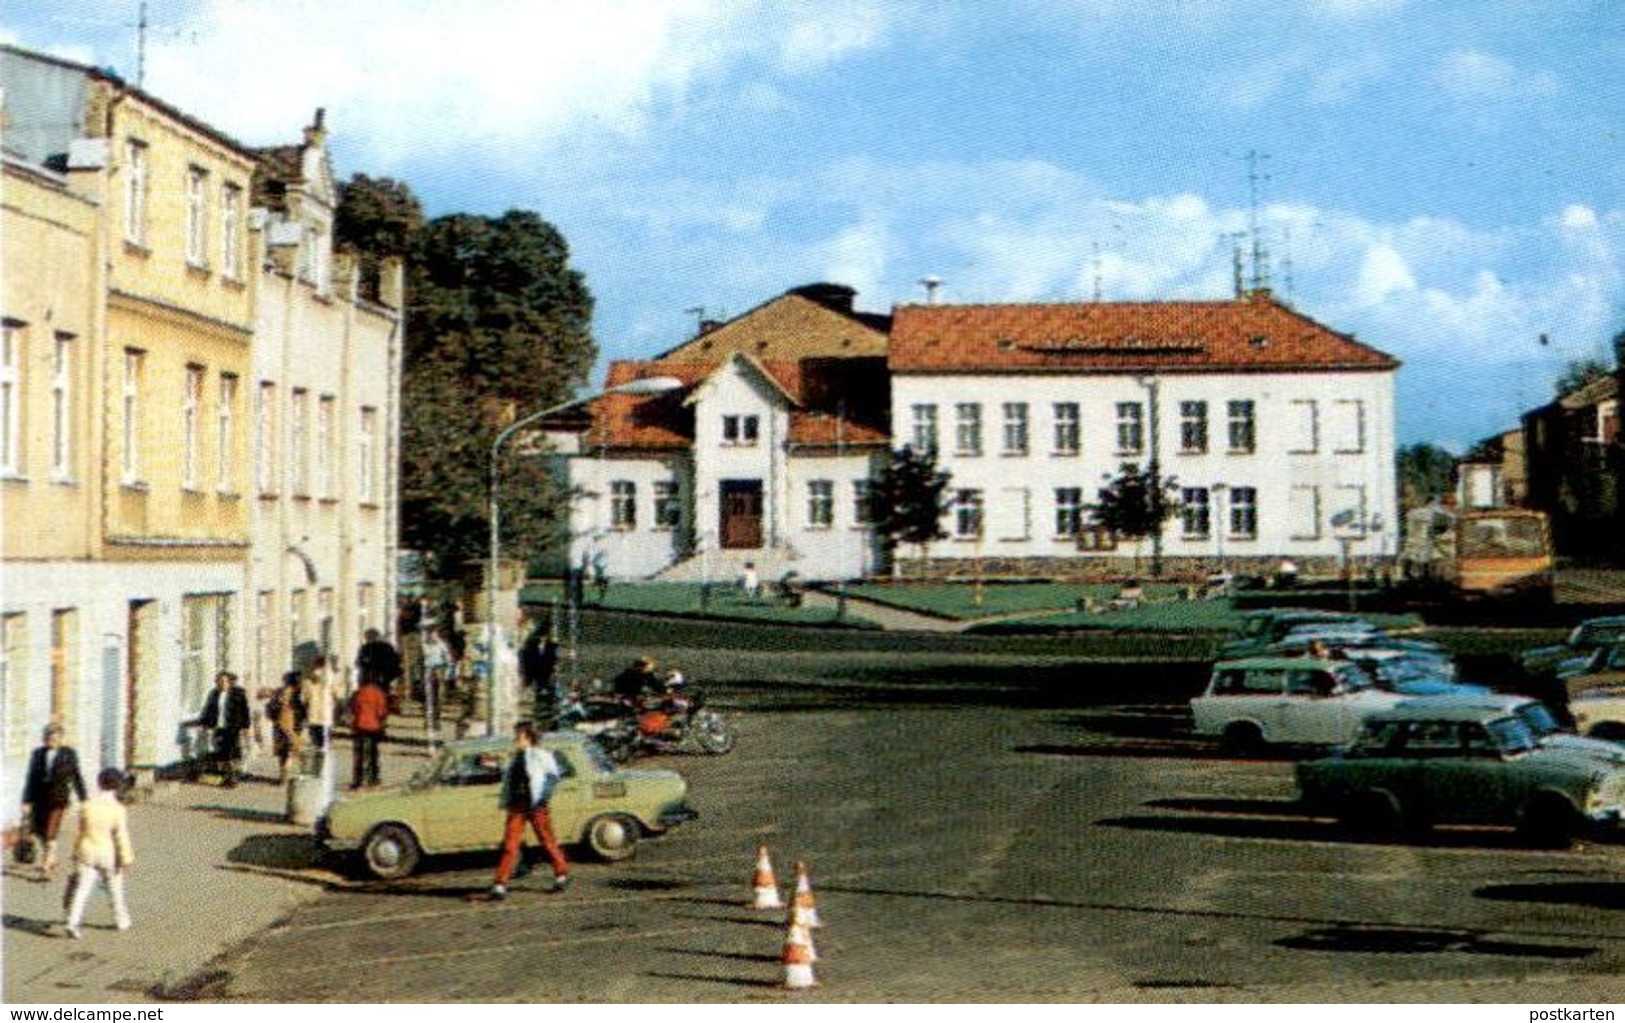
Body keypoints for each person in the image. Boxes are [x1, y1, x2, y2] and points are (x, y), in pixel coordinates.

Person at [488, 721, 569, 900]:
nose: (515, 738)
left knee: (547, 841)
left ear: (528, 736)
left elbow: (553, 776)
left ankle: (561, 873)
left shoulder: (541, 755)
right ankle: (500, 884)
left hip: (536, 805)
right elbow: (509, 778)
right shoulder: (515, 756)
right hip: (517, 805)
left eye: (518, 735)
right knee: (510, 844)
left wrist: (542, 798)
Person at [62, 768, 135, 940]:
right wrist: (126, 858)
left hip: (86, 851)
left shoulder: (87, 806)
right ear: (118, 786)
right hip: (107, 853)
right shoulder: (118, 809)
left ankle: (72, 922)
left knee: (81, 889)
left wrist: (75, 852)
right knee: (115, 887)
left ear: (99, 783)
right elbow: (121, 836)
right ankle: (121, 920)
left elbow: (80, 831)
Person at [20, 724, 87, 878]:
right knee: (40, 831)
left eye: (56, 739)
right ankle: (52, 855)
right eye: (49, 738)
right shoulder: (37, 754)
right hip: (39, 799)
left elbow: (76, 776)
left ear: (61, 739)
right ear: (45, 739)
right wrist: (26, 801)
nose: (52, 741)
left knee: (51, 831)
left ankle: (46, 865)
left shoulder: (69, 754)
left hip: (58, 799)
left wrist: (84, 799)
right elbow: (31, 778)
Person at [199, 671, 251, 787]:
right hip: (219, 727)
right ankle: (227, 776)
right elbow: (208, 709)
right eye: (220, 681)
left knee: (231, 752)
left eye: (224, 681)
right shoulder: (214, 694)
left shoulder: (238, 694)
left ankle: (232, 777)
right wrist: (204, 724)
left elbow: (244, 711)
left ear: (230, 682)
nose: (222, 684)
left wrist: (245, 726)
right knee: (221, 752)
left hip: (233, 727)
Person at [348, 676, 390, 789]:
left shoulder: (358, 693)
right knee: (372, 754)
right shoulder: (378, 693)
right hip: (373, 726)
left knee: (359, 754)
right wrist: (382, 722)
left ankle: (358, 780)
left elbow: (353, 708)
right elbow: (382, 711)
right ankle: (372, 778)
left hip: (359, 726)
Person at [519, 615, 561, 726]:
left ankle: (542, 722)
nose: (554, 634)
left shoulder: (552, 646)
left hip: (543, 680)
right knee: (533, 704)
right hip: (534, 678)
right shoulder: (531, 643)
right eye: (552, 631)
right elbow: (525, 659)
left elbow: (552, 663)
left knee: (543, 703)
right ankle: (536, 721)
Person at [267, 672, 308, 784]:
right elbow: (303, 709)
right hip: (288, 725)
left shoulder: (291, 693)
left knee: (286, 752)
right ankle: (285, 775)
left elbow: (270, 709)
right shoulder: (291, 693)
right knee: (288, 752)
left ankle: (283, 776)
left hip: (285, 725)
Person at [301, 656, 337, 769]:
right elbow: (336, 694)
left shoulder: (307, 680)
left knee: (316, 744)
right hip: (327, 717)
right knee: (325, 744)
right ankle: (323, 767)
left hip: (313, 717)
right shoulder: (332, 679)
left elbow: (303, 699)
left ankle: (317, 767)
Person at [356, 628, 402, 702]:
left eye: (367, 637)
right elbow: (396, 660)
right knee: (383, 694)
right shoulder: (387, 646)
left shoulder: (365, 648)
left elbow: (360, 663)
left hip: (371, 678)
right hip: (384, 677)